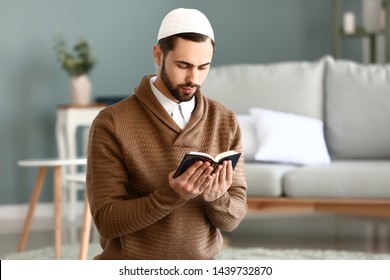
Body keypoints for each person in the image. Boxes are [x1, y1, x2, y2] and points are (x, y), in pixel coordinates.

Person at [86, 8, 247, 260]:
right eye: (183, 65)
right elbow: (106, 221)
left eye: (203, 67)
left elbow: (231, 220)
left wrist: (217, 199)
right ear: (158, 54)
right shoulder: (112, 122)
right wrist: (171, 196)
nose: (193, 78)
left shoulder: (225, 120)